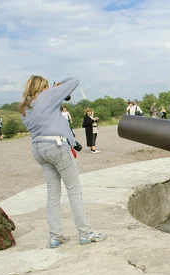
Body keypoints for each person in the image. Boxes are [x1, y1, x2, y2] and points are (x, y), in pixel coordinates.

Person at [18, 75, 106, 248]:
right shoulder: (48, 95)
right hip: (57, 146)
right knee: (74, 191)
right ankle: (86, 233)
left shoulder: (24, 107)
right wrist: (58, 86)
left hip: (38, 148)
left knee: (53, 195)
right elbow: (75, 81)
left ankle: (55, 236)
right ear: (43, 86)